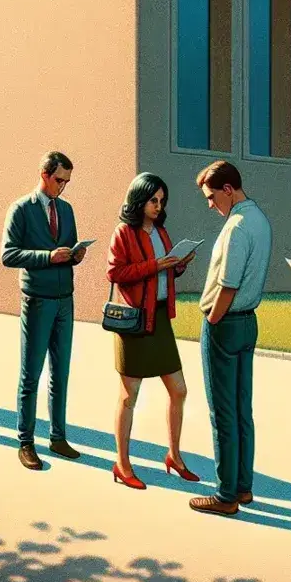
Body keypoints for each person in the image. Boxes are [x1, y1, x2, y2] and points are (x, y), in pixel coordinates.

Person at [106, 172, 198, 489]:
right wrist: (156, 266)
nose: (158, 206)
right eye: (153, 200)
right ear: (139, 200)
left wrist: (180, 262)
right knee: (129, 396)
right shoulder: (124, 233)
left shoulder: (161, 232)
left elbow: (169, 270)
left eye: (162, 201)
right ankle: (123, 463)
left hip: (159, 320)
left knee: (179, 390)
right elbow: (115, 273)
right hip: (133, 322)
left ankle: (174, 455)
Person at [190, 161, 272, 517]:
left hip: (224, 323)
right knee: (242, 409)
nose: (210, 205)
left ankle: (226, 494)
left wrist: (212, 316)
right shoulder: (260, 220)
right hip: (248, 322)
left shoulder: (236, 227)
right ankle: (243, 486)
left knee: (222, 411)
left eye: (211, 197)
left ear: (228, 189)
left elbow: (229, 283)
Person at [1, 151, 86, 470]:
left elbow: (70, 247)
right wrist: (48, 258)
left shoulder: (66, 209)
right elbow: (8, 255)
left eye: (67, 182)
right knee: (31, 373)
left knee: (61, 372)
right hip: (37, 299)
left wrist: (75, 256)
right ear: (44, 175)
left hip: (65, 299)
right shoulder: (21, 209)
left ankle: (58, 437)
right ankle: (26, 441)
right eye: (59, 180)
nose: (63, 187)